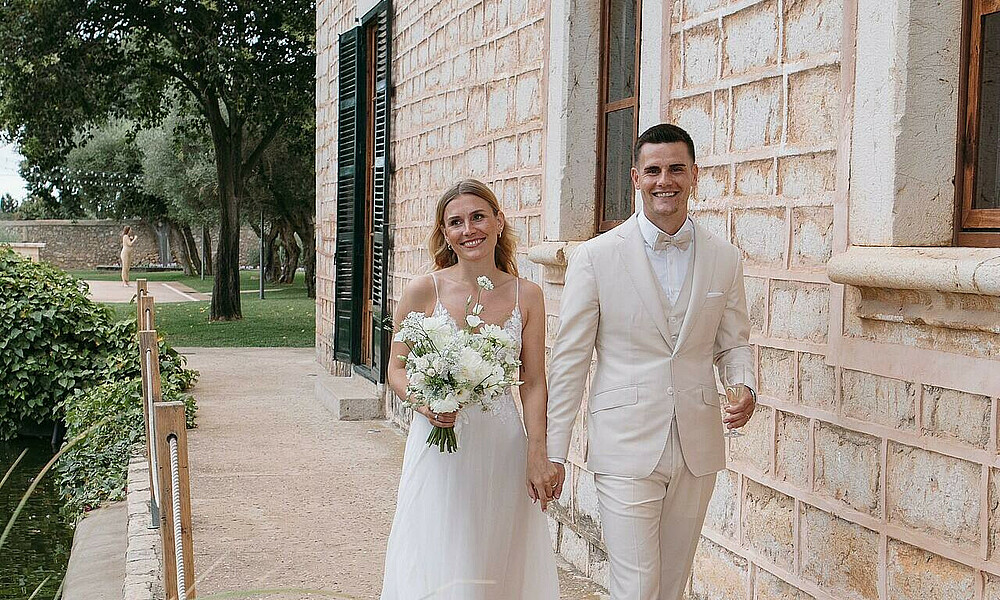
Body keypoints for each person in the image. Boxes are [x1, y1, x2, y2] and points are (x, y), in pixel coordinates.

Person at [545, 123, 758, 600]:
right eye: (655, 170)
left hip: (696, 443)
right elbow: (570, 362)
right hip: (624, 443)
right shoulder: (595, 258)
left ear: (695, 175)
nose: (667, 180)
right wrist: (552, 453)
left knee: (670, 586)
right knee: (637, 586)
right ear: (636, 177)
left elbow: (733, 343)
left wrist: (742, 385)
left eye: (677, 169)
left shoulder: (725, 258)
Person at [379, 179, 560, 599]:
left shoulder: (527, 295)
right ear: (445, 234)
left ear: (498, 221)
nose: (469, 229)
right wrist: (424, 405)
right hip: (439, 443)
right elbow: (396, 367)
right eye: (455, 222)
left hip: (502, 445)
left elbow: (532, 381)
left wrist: (537, 453)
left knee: (497, 554)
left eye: (478, 216)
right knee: (439, 548)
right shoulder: (425, 290)